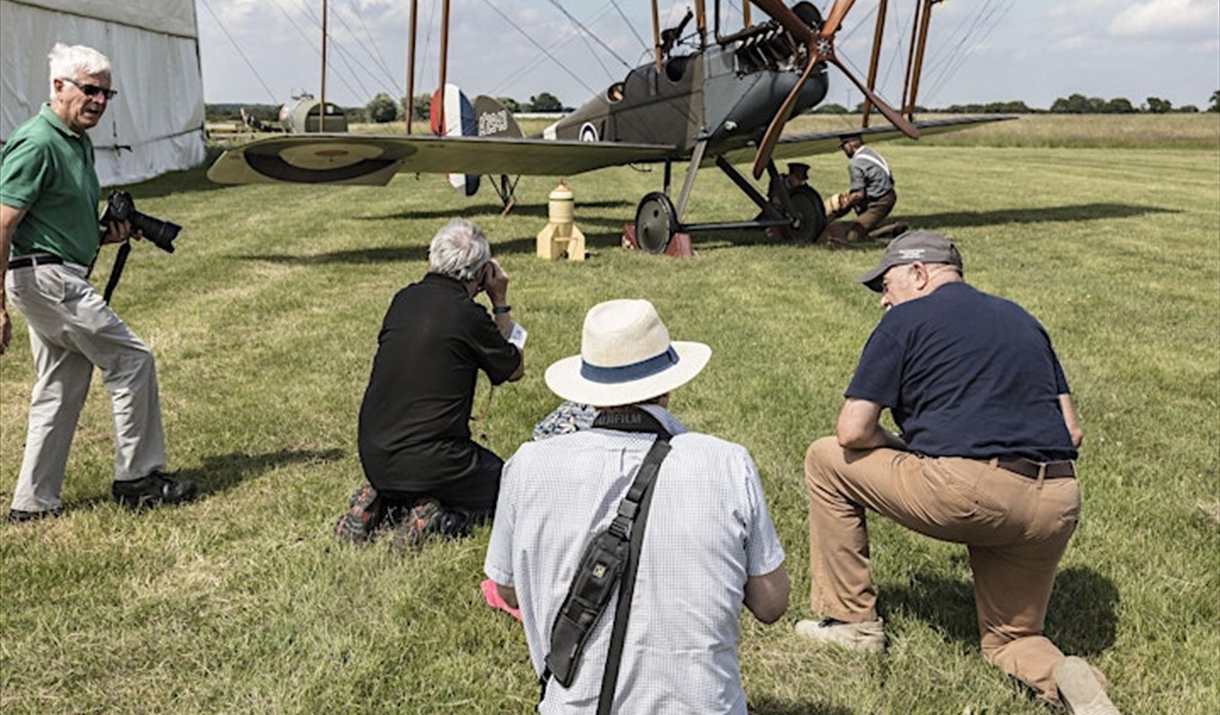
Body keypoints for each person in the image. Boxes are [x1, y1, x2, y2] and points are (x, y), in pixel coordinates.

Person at [798, 231, 1121, 714]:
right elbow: (1071, 431)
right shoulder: (1023, 319)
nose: (884, 299)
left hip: (971, 493)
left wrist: (907, 449)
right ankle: (1068, 678)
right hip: (1057, 499)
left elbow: (853, 430)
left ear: (919, 273)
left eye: (886, 285)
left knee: (825, 459)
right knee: (1010, 640)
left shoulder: (904, 319)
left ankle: (852, 624)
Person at [484, 299, 790, 714]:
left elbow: (507, 591)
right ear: (668, 384)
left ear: (590, 392)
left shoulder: (528, 466)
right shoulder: (727, 464)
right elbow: (772, 605)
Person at [1, 43, 196, 522]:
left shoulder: (74, 140)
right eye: (90, 90)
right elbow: (3, 223)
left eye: (107, 93)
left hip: (52, 273)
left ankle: (33, 503)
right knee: (132, 360)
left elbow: (53, 221)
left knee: (61, 385)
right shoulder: (37, 142)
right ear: (58, 86)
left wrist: (107, 235)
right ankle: (138, 479)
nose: (99, 101)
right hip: (47, 279)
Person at [336, 218, 525, 550]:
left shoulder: (403, 300)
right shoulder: (469, 316)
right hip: (436, 459)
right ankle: (441, 519)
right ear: (482, 274)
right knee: (508, 486)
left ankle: (384, 500)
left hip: (375, 454)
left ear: (432, 259)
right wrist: (500, 303)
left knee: (417, 474)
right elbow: (514, 369)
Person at [827, 134, 907, 243]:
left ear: (850, 145)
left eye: (843, 146)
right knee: (864, 227)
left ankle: (893, 229)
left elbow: (858, 195)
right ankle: (873, 228)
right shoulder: (869, 153)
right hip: (887, 194)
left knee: (853, 237)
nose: (843, 150)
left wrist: (844, 205)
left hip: (879, 202)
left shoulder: (855, 164)